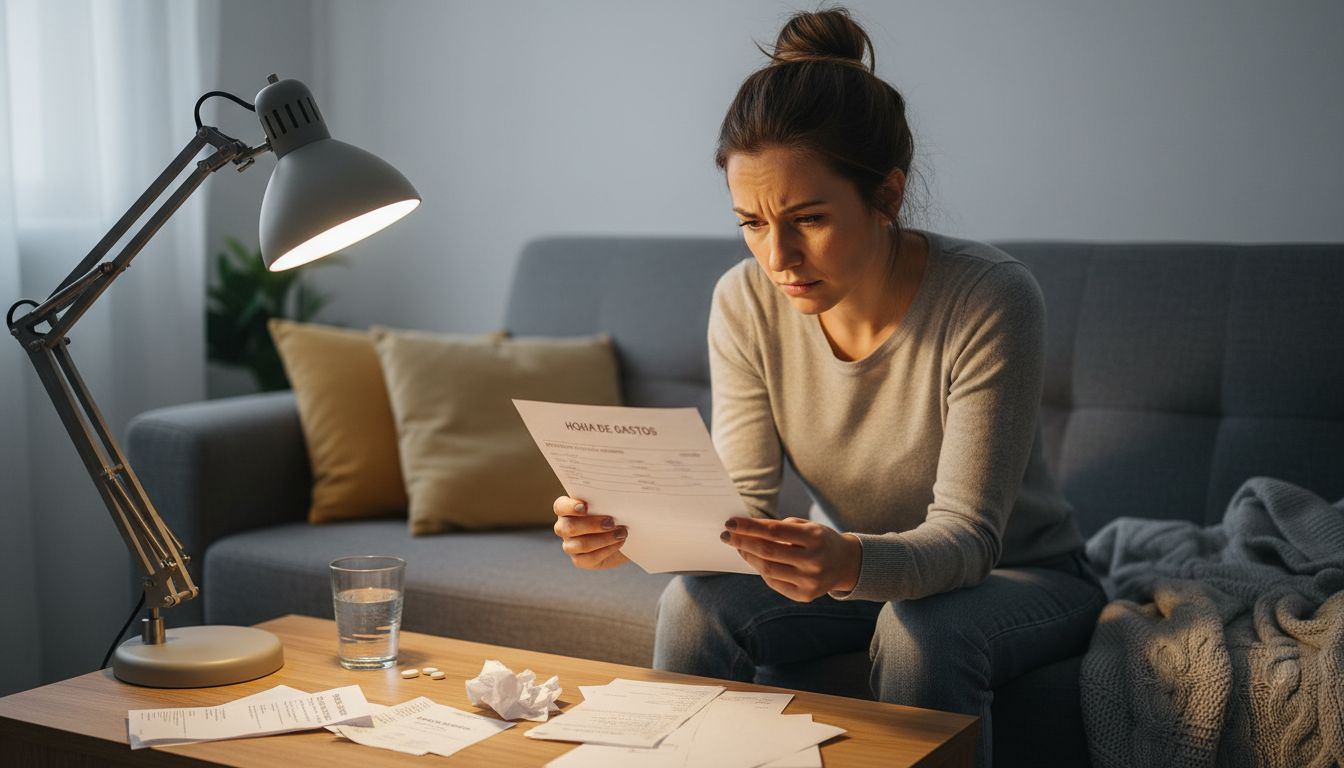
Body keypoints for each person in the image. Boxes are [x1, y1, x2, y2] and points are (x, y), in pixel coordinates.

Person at [551, 8, 1106, 766]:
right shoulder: (743, 300)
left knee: (921, 631)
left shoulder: (989, 297)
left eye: (808, 218)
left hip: (1021, 573)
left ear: (888, 194)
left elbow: (970, 538)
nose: (777, 256)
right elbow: (737, 509)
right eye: (750, 222)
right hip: (853, 571)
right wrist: (630, 528)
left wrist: (847, 564)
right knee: (695, 603)